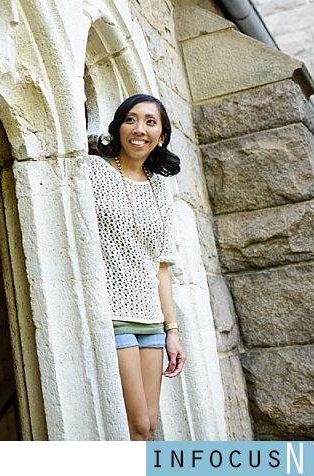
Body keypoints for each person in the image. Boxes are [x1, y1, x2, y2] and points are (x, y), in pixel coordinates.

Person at [88, 94, 186, 441]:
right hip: (114, 314)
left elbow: (161, 267)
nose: (139, 129)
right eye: (131, 119)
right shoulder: (93, 171)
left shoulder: (160, 188)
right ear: (118, 127)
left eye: (150, 121)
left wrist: (172, 330)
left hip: (152, 318)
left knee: (151, 426)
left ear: (161, 136)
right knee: (138, 424)